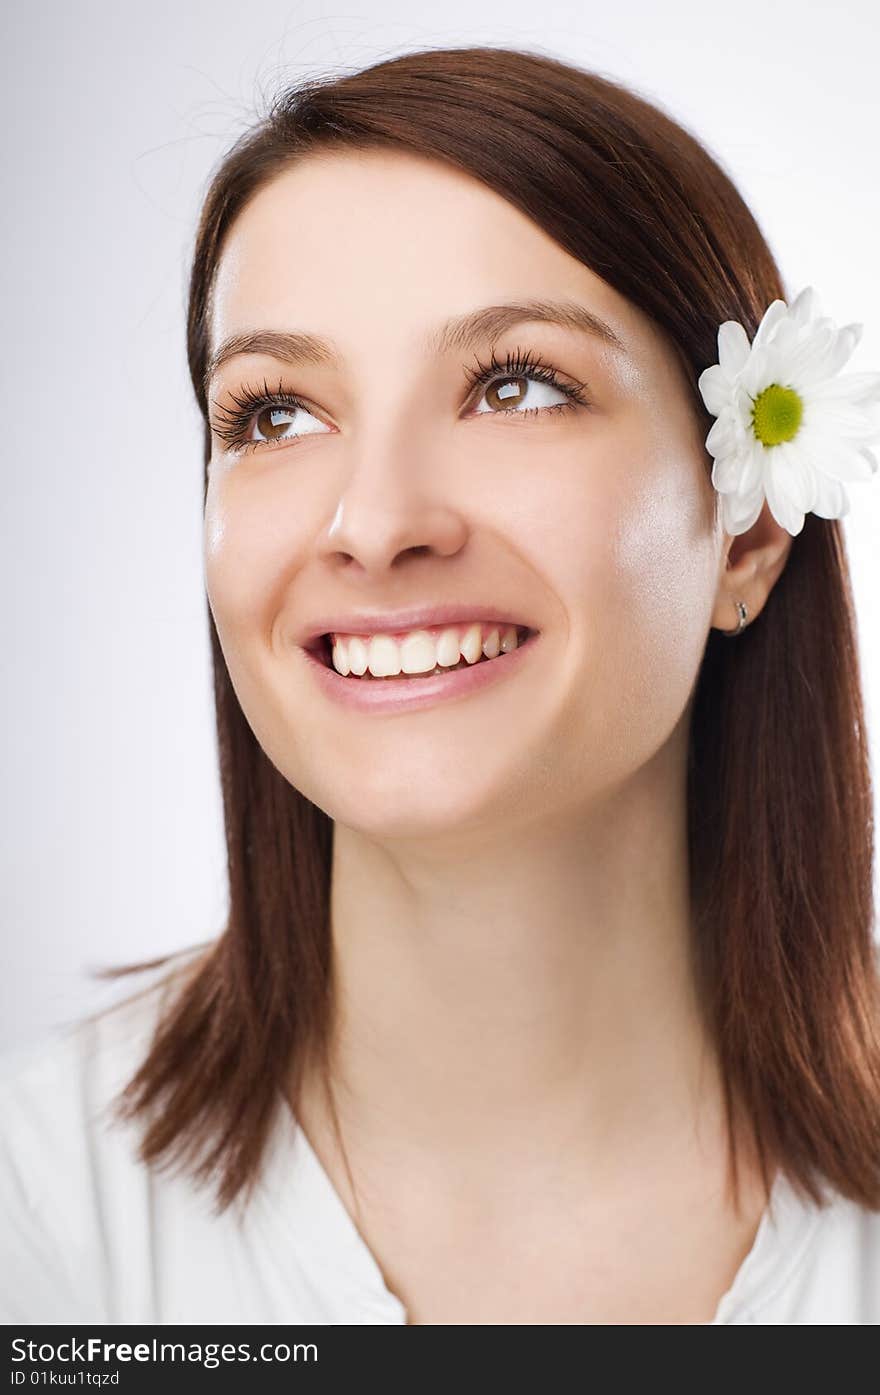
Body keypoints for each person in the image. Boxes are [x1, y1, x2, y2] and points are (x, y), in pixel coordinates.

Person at [3, 45, 879, 1326]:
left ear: (742, 535)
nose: (372, 522)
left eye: (515, 387)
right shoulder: (39, 1210)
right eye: (276, 415)